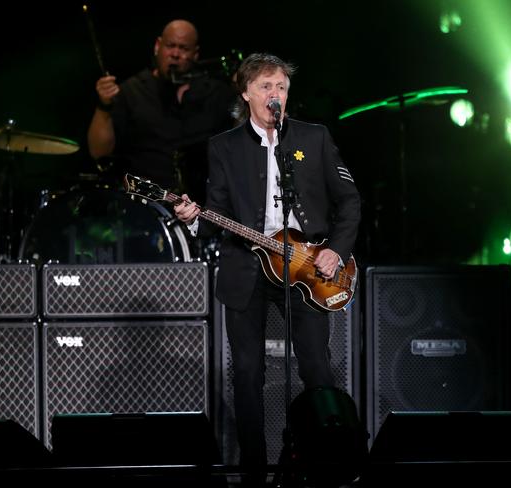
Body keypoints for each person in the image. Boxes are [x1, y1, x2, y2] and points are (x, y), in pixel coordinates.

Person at [174, 53, 362, 486]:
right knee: (248, 373)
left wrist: (336, 249)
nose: (274, 94)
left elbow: (350, 200)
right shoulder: (224, 146)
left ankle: (325, 469)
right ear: (246, 94)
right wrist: (194, 215)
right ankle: (255, 474)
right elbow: (216, 210)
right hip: (247, 267)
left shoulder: (314, 138)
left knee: (315, 364)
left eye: (279, 86)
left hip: (308, 266)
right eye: (265, 87)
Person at [87, 19, 237, 204]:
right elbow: (99, 152)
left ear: (195, 54)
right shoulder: (132, 92)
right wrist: (104, 106)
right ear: (158, 46)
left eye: (183, 48)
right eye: (170, 46)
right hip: (146, 207)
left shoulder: (215, 93)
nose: (175, 54)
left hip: (203, 207)